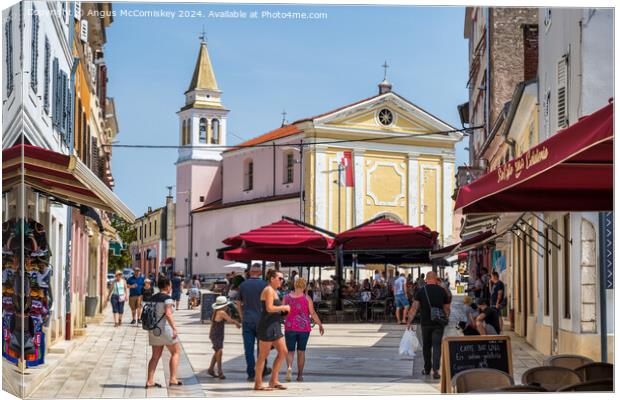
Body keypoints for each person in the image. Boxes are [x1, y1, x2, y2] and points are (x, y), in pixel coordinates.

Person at [406, 271, 451, 379]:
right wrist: (446, 317)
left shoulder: (421, 291)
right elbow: (447, 309)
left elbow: (414, 308)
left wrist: (409, 321)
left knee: (426, 346)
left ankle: (427, 369)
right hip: (438, 323)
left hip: (425, 323)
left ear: (426, 279)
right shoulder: (442, 291)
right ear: (436, 279)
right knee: (436, 346)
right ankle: (436, 371)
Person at [254, 269, 290, 391]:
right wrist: (283, 307)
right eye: (280, 278)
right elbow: (269, 308)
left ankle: (273, 380)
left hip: (275, 325)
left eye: (282, 278)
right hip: (267, 326)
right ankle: (258, 384)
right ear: (272, 279)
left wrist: (282, 311)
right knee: (263, 355)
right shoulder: (268, 290)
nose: (282, 280)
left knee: (283, 351)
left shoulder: (274, 291)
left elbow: (274, 309)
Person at [283, 277, 324, 382]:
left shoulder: (286, 297)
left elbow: (282, 312)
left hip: (290, 327)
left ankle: (289, 368)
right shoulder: (307, 298)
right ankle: (300, 375)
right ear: (304, 287)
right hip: (304, 328)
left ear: (295, 285)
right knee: (301, 352)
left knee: (290, 351)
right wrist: (320, 325)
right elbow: (313, 313)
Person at [236, 264, 272, 382]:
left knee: (249, 349)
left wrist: (242, 316)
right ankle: (262, 370)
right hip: (262, 321)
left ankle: (251, 373)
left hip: (247, 320)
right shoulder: (265, 285)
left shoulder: (243, 285)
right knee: (263, 348)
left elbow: (238, 303)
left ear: (250, 272)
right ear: (260, 273)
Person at [145, 277, 182, 388]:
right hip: (165, 329)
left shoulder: (152, 298)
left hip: (153, 330)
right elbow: (168, 313)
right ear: (167, 286)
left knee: (155, 356)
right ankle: (173, 379)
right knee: (175, 352)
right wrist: (174, 328)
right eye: (170, 285)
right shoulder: (168, 299)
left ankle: (150, 381)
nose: (171, 287)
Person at [208, 296, 241, 379]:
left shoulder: (216, 311)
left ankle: (211, 369)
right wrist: (237, 323)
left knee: (217, 352)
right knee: (219, 352)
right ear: (223, 306)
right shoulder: (221, 312)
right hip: (217, 334)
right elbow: (230, 320)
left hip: (216, 334)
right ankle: (220, 371)